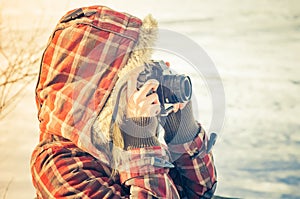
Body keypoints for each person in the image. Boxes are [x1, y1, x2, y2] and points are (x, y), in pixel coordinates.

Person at [30, 5, 217, 199]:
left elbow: (201, 192)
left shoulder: (117, 140)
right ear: (103, 92)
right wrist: (140, 139)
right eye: (135, 78)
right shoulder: (58, 166)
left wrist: (181, 129)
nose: (140, 89)